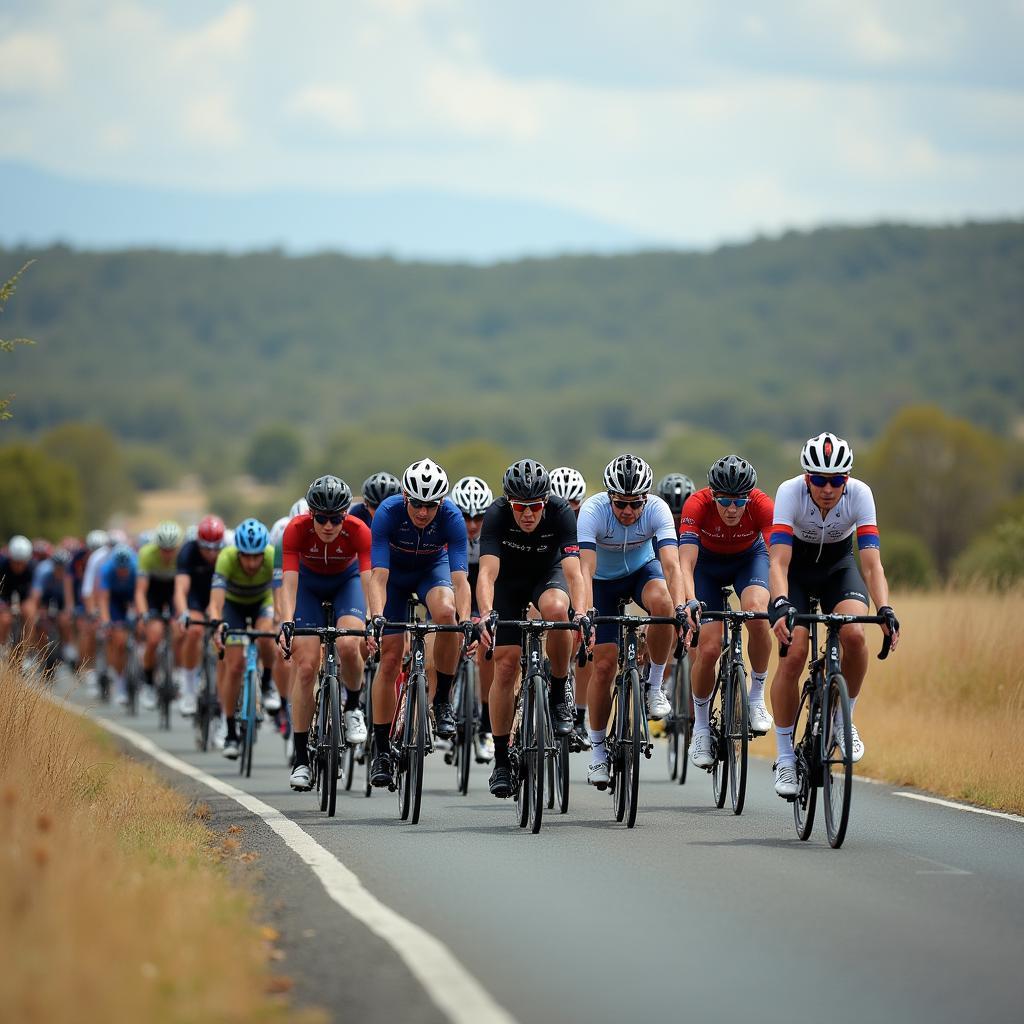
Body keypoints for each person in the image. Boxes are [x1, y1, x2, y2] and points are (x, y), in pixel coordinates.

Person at [767, 432, 900, 798]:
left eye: (837, 480)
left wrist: (885, 608)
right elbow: (778, 561)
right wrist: (779, 603)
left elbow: (872, 566)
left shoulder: (861, 494)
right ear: (807, 478)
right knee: (793, 655)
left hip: (838, 568)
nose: (828, 488)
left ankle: (844, 719)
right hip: (796, 571)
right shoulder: (789, 492)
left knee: (855, 635)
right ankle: (784, 758)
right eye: (820, 480)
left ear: (847, 479)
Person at [577, 454, 697, 788]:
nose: (628, 511)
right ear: (609, 497)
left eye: (635, 504)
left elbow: (672, 566)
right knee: (603, 666)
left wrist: (682, 608)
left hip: (641, 572)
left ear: (646, 498)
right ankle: (598, 752)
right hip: (602, 582)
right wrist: (585, 613)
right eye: (621, 504)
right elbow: (584, 569)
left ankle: (653, 686)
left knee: (664, 604)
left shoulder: (657, 510)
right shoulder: (592, 510)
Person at [475, 459, 589, 798]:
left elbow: (574, 573)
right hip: (509, 583)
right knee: (506, 665)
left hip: (547, 575)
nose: (528, 514)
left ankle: (556, 693)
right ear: (509, 502)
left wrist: (581, 612)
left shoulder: (560, 513)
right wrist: (485, 614)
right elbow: (487, 574)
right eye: (521, 507)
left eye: (535, 506)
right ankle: (500, 761)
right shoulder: (496, 516)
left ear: (546, 502)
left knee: (557, 609)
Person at [365, 458, 472, 787]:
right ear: (405, 497)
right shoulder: (388, 512)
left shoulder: (452, 517)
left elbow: (460, 579)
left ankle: (441, 701)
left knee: (446, 615)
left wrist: (465, 622)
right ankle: (381, 751)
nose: (423, 513)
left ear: (441, 502)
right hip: (394, 578)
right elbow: (378, 576)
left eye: (431, 505)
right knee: (391, 658)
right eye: (416, 504)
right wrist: (376, 618)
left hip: (431, 571)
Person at [678, 455, 775, 771]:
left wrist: (785, 597)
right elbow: (686, 563)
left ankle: (757, 696)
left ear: (749, 495)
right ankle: (702, 729)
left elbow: (779, 556)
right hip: (706, 568)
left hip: (749, 560)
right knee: (708, 648)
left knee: (757, 613)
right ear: (711, 494)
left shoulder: (762, 505)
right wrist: (690, 601)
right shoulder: (696, 505)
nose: (732, 508)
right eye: (723, 500)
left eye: (738, 501)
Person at [276, 476, 372, 792]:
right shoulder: (295, 530)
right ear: (310, 514)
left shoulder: (359, 531)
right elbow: (288, 583)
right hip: (309, 588)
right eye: (321, 518)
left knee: (349, 643)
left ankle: (353, 706)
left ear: (346, 515)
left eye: (336, 518)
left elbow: (370, 581)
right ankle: (301, 758)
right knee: (305, 668)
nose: (328, 526)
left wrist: (374, 620)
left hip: (347, 585)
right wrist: (286, 621)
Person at [208, 518, 276, 760]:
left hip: (263, 602)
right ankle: (229, 731)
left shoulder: (271, 555)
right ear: (237, 553)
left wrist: (281, 620)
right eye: (246, 556)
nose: (251, 562)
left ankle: (268, 684)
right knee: (234, 666)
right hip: (233, 607)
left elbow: (281, 594)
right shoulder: (225, 558)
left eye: (256, 556)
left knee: (268, 636)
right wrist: (217, 625)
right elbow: (215, 602)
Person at [450, 474, 496, 762]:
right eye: (465, 517)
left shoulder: (492, 533)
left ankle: (486, 727)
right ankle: (445, 699)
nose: (472, 525)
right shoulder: (448, 531)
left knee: (489, 648)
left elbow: (492, 580)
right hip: (452, 583)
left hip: (482, 584)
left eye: (478, 517)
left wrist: (484, 615)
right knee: (443, 636)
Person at [549, 466, 591, 748]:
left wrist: (585, 613)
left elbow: (586, 572)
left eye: (574, 506)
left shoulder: (588, 520)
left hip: (578, 577)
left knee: (590, 648)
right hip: (548, 577)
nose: (568, 512)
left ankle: (580, 717)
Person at [174, 514, 225, 715]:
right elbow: (180, 589)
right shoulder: (188, 551)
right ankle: (188, 688)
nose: (211, 553)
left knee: (226, 636)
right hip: (196, 595)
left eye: (216, 548)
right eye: (206, 547)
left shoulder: (228, 550)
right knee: (194, 631)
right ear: (198, 542)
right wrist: (184, 612)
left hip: (220, 594)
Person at [135, 520, 184, 710]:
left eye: (171, 549)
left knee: (180, 633)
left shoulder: (181, 556)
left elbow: (183, 590)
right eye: (163, 549)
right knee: (154, 638)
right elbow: (140, 591)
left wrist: (181, 613)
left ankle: (178, 674)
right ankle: (148, 683)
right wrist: (143, 615)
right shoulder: (147, 554)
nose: (167, 553)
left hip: (174, 592)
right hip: (153, 593)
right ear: (157, 546)